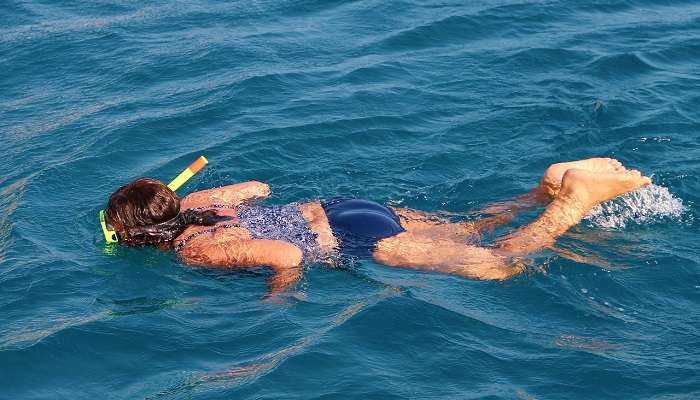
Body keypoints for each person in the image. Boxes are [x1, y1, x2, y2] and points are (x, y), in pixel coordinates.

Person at [103, 158, 650, 295]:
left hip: (349, 241)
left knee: (497, 267)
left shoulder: (191, 252)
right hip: (341, 206)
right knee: (468, 231)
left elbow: (287, 258)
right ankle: (542, 190)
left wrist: (277, 300)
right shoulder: (198, 200)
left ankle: (570, 203)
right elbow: (258, 191)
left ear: (136, 236)